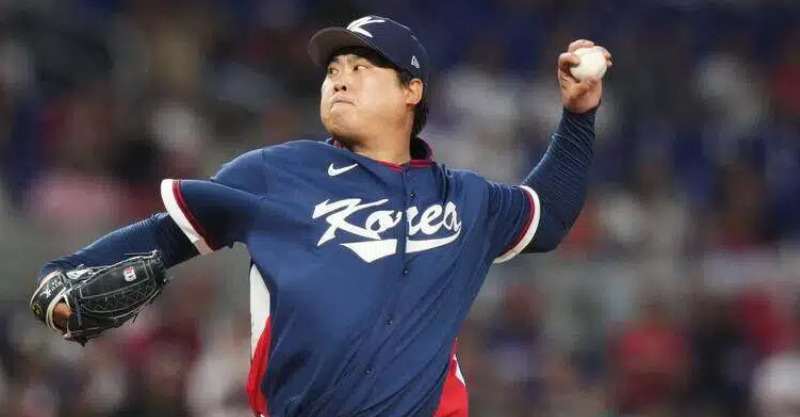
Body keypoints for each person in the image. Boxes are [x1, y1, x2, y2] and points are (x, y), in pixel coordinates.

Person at [29, 15, 612, 417]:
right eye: (334, 69)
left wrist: (578, 115)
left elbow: (548, 215)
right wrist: (60, 276)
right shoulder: (276, 173)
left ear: (411, 91)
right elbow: (166, 234)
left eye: (361, 67)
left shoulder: (464, 198)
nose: (339, 78)